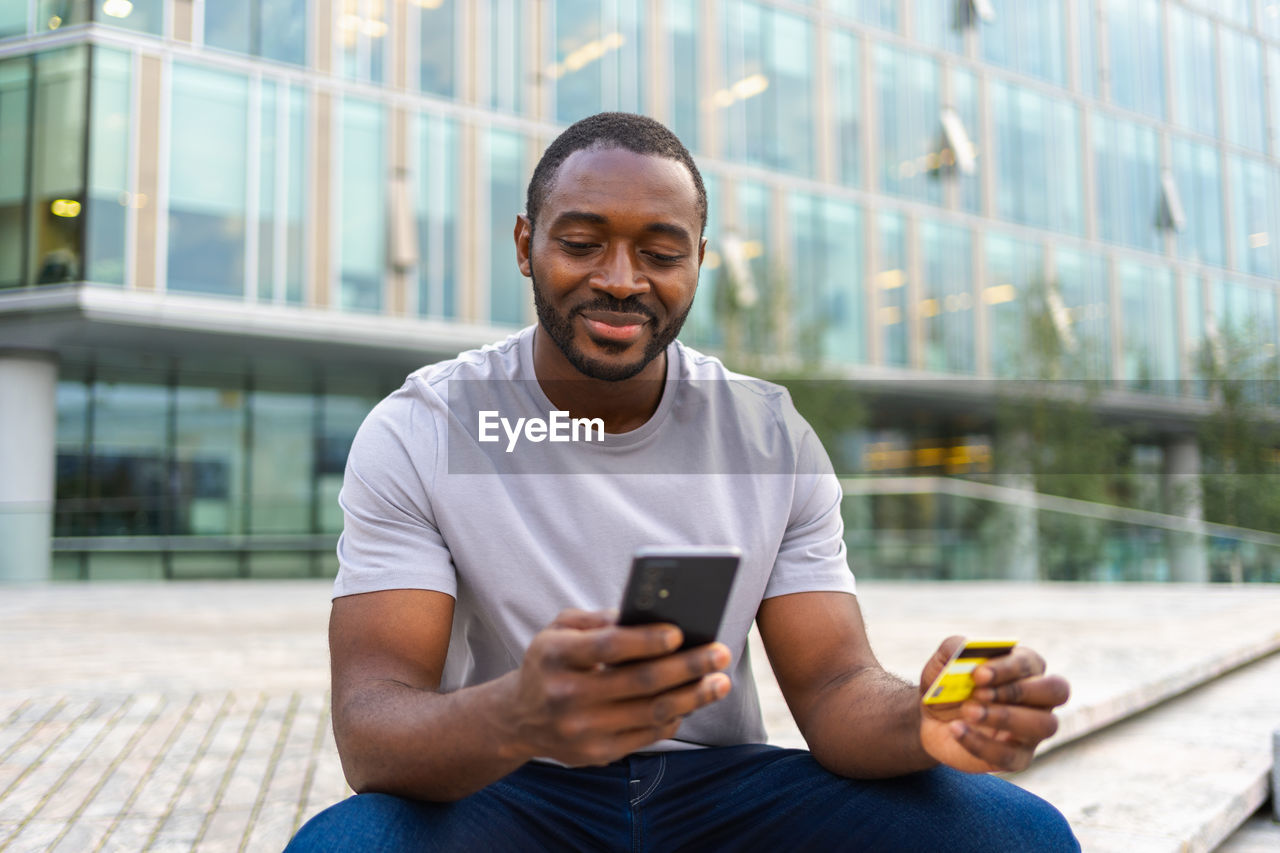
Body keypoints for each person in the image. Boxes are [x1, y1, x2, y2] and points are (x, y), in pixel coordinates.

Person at [285, 112, 1078, 852]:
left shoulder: (768, 438)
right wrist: (520, 712)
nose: (622, 280)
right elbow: (371, 723)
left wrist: (925, 715)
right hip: (506, 780)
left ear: (700, 258)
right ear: (525, 244)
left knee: (1017, 834)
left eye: (662, 253)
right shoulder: (424, 427)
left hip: (719, 790)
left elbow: (835, 685)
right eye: (583, 243)